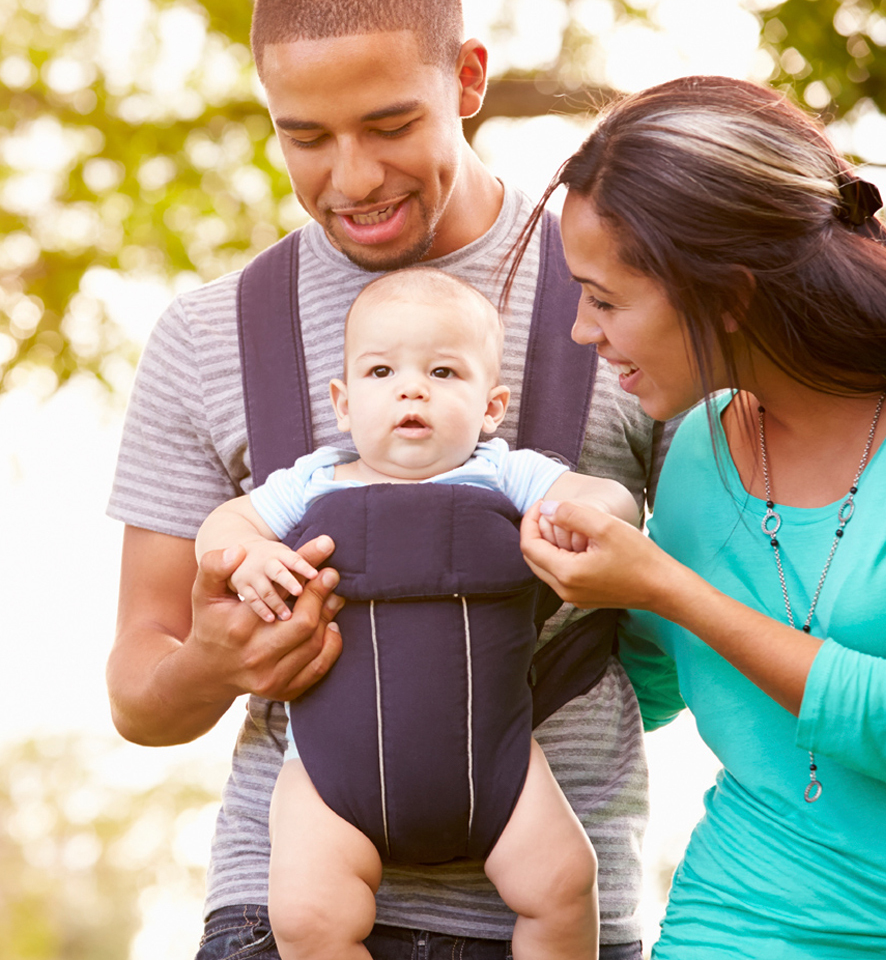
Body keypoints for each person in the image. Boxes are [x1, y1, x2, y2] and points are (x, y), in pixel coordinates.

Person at [105, 0, 669, 958]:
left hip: (555, 906)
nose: (351, 177)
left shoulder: (625, 292)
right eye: (305, 138)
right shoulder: (207, 339)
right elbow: (140, 698)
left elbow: (733, 582)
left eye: (390, 124)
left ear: (468, 79)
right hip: (283, 908)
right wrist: (212, 660)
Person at [519, 75, 886, 959]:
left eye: (604, 299)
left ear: (730, 294)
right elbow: (642, 688)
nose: (581, 333)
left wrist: (668, 587)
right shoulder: (699, 456)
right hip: (736, 919)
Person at [196, 268, 639, 960]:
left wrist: (584, 519)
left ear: (491, 406)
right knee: (308, 918)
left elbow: (609, 498)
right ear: (343, 403)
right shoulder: (313, 480)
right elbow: (222, 526)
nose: (411, 388)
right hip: (328, 777)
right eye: (381, 371)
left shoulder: (507, 472)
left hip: (498, 772)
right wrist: (247, 554)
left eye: (442, 371)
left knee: (562, 882)